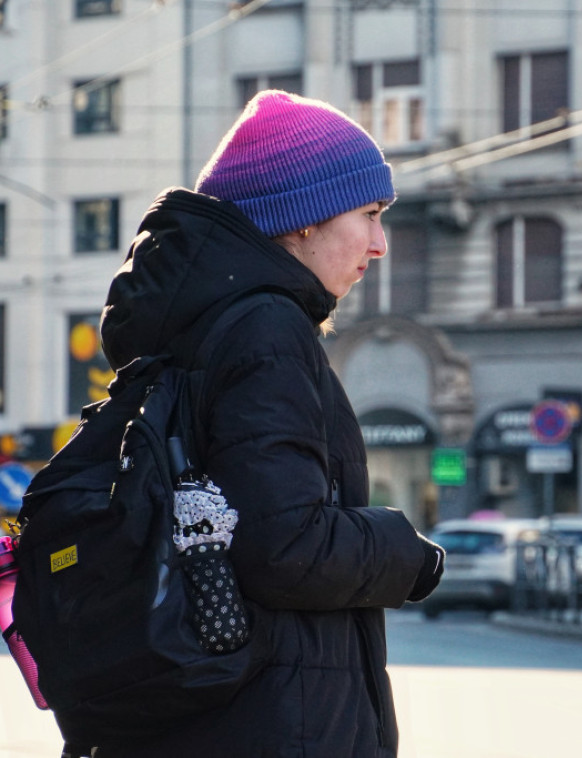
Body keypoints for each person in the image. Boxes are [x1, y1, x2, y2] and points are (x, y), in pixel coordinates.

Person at [95, 90, 445, 757]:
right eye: (369, 215)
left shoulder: (199, 326)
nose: (381, 245)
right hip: (281, 721)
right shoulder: (267, 329)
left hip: (206, 715)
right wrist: (408, 553)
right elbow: (285, 547)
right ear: (302, 221)